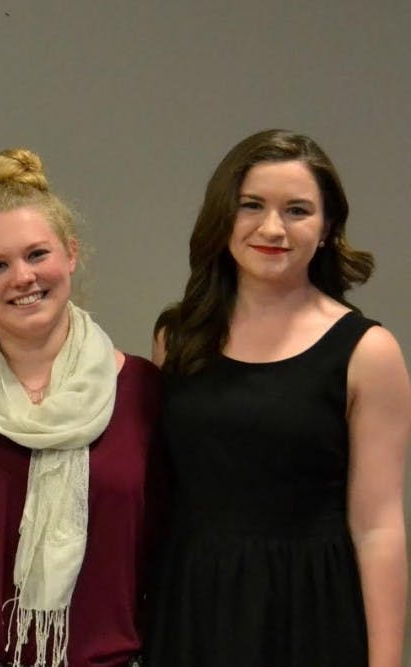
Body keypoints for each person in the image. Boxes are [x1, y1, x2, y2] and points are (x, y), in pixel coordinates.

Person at [147, 129, 410, 666]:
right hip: (191, 606)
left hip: (311, 611)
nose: (273, 228)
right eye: (251, 206)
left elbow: (379, 526)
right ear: (223, 215)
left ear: (327, 227)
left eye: (297, 210)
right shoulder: (176, 338)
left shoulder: (368, 351)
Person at [0, 148, 164, 667]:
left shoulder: (143, 394)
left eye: (37, 254)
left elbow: (167, 554)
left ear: (71, 253)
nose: (22, 277)